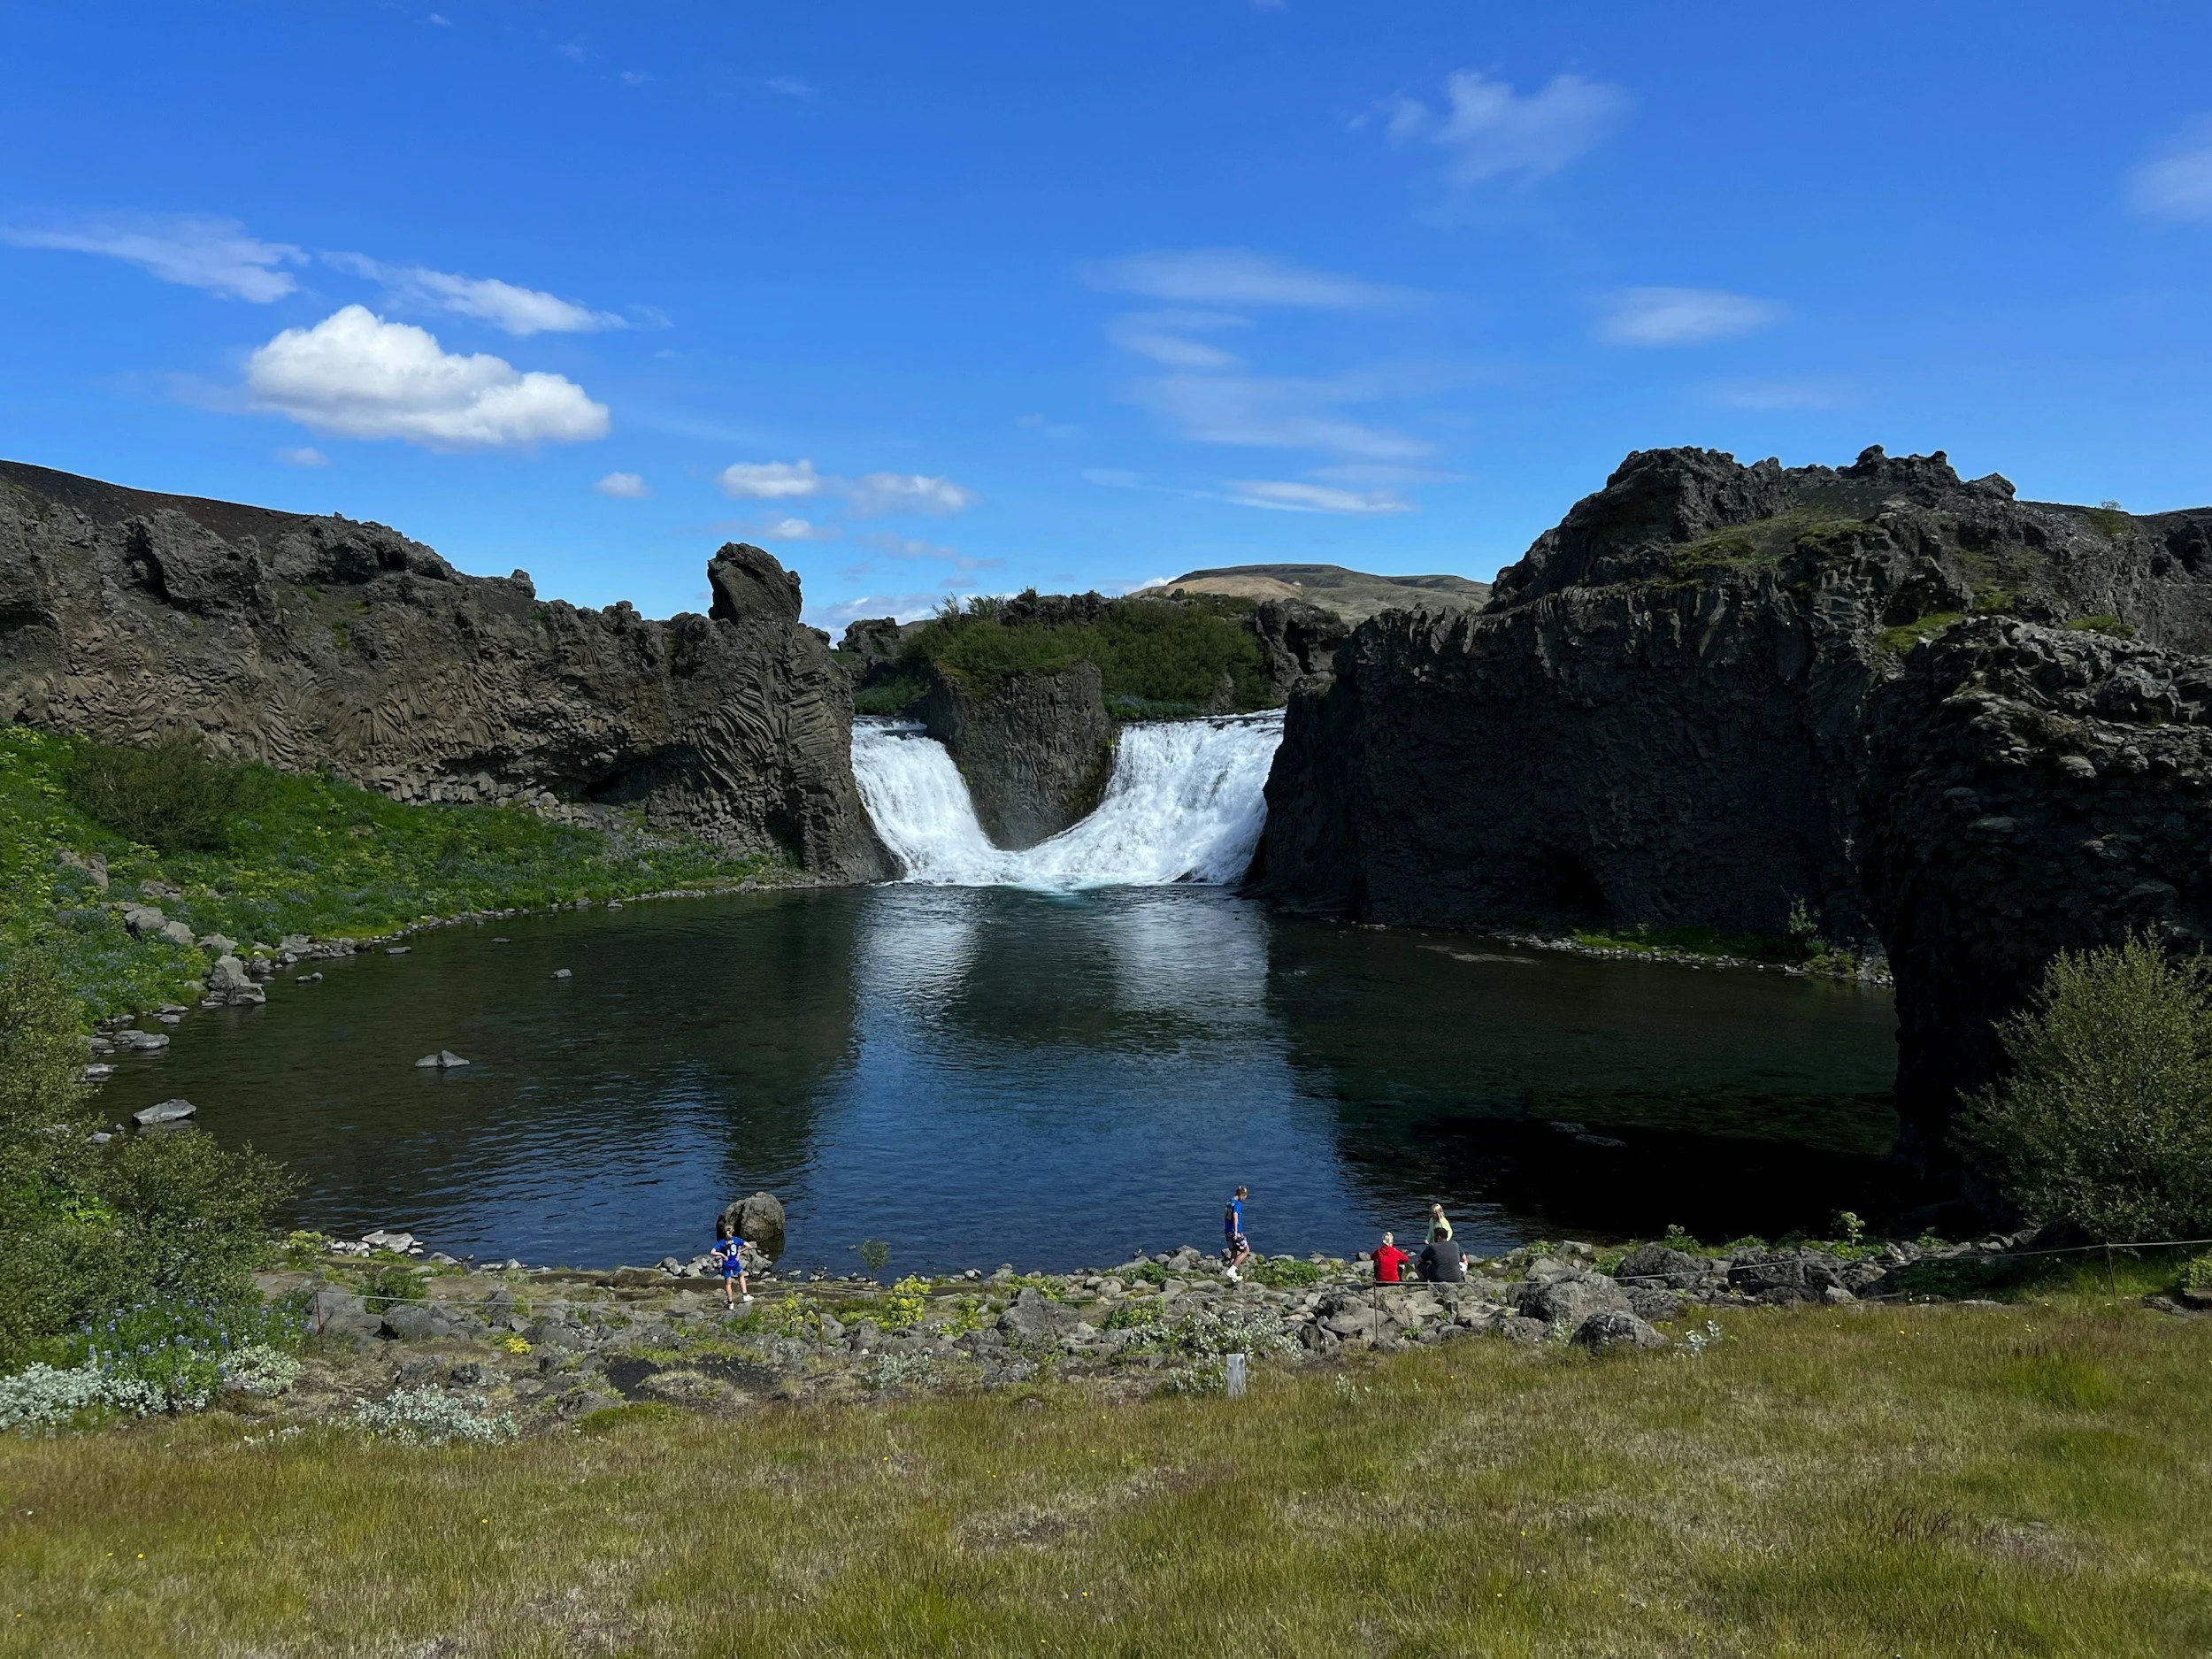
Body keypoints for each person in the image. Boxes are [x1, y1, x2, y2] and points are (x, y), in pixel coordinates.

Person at [714, 1221, 753, 1308]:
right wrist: (739, 1252)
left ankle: (730, 1303)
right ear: (733, 1231)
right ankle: (745, 1295)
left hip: (726, 1264)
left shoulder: (722, 1242)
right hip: (735, 1262)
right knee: (741, 1276)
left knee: (728, 1284)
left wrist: (722, 1255)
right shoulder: (737, 1240)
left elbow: (712, 1252)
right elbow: (749, 1246)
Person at [1222, 1185, 1253, 1280]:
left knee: (1234, 1252)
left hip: (1227, 1231)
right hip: (1235, 1232)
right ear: (1241, 1195)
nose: (1244, 1199)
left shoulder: (1228, 1202)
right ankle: (1232, 1270)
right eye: (1244, 1197)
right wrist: (1236, 1231)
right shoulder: (1238, 1204)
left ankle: (1232, 1277)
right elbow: (1235, 1216)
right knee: (1246, 1250)